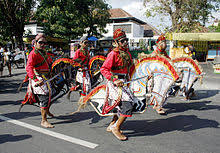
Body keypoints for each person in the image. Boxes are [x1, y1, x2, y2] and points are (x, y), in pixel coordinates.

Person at [100, 29, 135, 141]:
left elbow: (132, 69)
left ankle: (112, 123)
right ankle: (116, 127)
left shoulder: (128, 54)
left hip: (124, 82)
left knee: (121, 104)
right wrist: (114, 79)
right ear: (116, 42)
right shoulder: (113, 54)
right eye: (122, 41)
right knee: (128, 104)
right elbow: (104, 69)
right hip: (114, 83)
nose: (125, 42)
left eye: (126, 40)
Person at [25, 33, 55, 128]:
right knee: (44, 98)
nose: (43, 44)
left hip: (46, 78)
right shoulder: (33, 53)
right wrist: (35, 79)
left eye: (44, 43)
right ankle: (43, 121)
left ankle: (47, 110)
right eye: (40, 42)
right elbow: (29, 67)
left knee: (51, 95)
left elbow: (50, 63)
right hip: (38, 78)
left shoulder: (44, 52)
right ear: (35, 43)